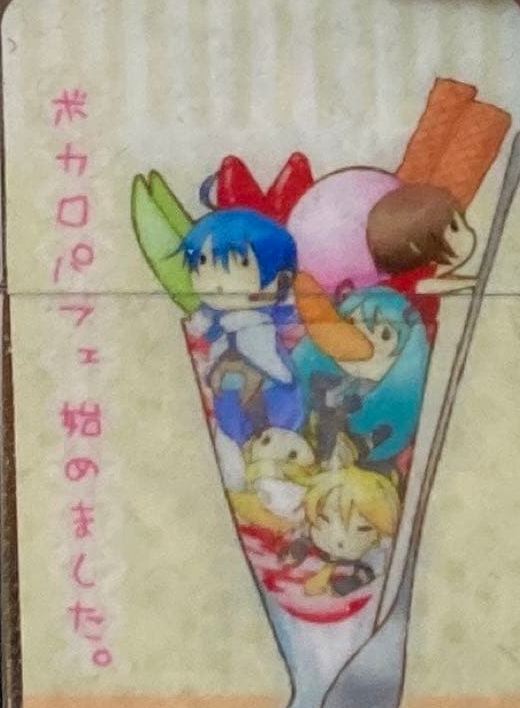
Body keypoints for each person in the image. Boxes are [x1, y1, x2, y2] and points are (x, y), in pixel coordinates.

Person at [181, 208, 304, 445]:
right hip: (226, 388)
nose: (218, 282)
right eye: (202, 262)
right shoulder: (213, 315)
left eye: (242, 263)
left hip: (272, 384)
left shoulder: (270, 315)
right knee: (231, 424)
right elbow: (198, 328)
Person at [292, 281, 429, 473]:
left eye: (385, 335)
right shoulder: (321, 379)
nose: (363, 340)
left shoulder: (397, 404)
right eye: (353, 324)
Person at [365, 182, 477, 340]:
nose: (469, 232)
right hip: (398, 334)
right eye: (454, 227)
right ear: (415, 247)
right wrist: (472, 284)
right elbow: (424, 286)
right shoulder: (406, 281)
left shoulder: (428, 270)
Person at [279, 459, 401, 597]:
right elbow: (306, 529)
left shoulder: (378, 545)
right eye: (325, 519)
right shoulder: (317, 513)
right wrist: (299, 546)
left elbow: (375, 565)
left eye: (363, 529)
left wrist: (352, 582)